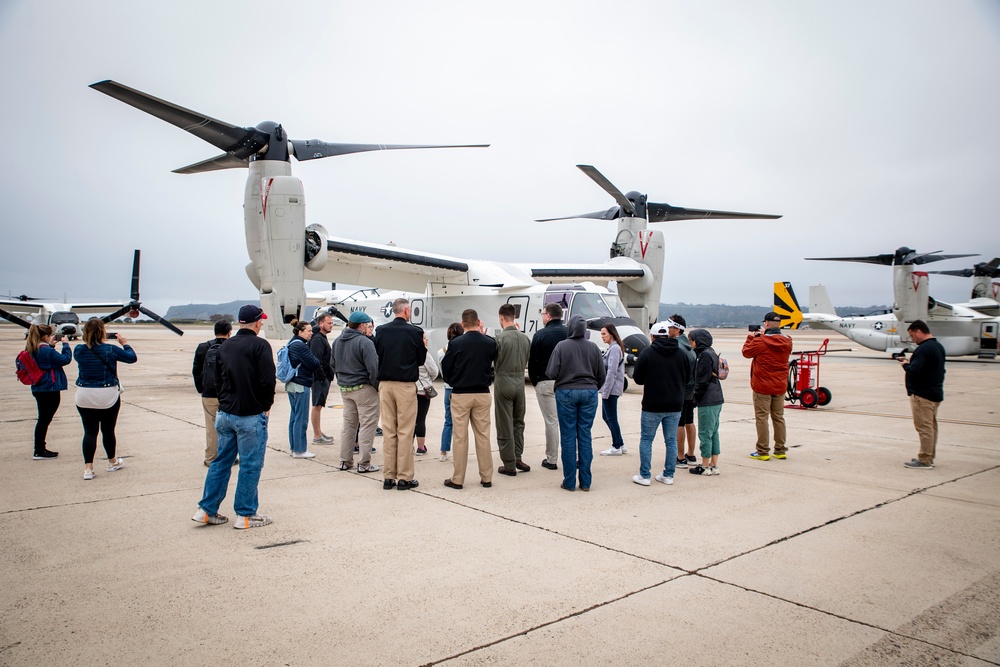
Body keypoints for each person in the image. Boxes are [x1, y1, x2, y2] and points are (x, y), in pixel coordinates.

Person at [193, 304, 276, 528]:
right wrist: (266, 405)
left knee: (220, 462)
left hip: (226, 412)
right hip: (250, 413)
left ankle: (206, 509)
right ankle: (246, 513)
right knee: (250, 464)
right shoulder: (260, 345)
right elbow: (268, 380)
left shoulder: (225, 346)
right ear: (258, 322)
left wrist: (225, 400)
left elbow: (216, 379)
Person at [546, 314, 606, 492]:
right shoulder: (593, 347)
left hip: (566, 392)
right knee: (585, 435)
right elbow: (601, 375)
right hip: (589, 392)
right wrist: (592, 387)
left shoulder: (562, 346)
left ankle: (570, 481)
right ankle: (586, 482)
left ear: (570, 328)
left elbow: (551, 372)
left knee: (568, 436)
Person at [73, 318, 137, 480]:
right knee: (108, 430)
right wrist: (125, 343)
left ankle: (88, 468)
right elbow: (131, 358)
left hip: (84, 393)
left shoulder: (79, 350)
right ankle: (112, 462)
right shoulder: (110, 349)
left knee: (89, 431)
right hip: (106, 393)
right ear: (102, 332)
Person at [441, 309, 497, 490]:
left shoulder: (456, 343)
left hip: (461, 394)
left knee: (460, 437)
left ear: (463, 324)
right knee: (483, 436)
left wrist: (454, 380)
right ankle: (487, 476)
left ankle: (458, 479)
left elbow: (446, 367)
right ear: (479, 322)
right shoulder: (490, 343)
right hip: (482, 392)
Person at [373, 298, 426, 491]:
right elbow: (420, 360)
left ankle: (388, 476)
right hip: (405, 385)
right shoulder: (415, 332)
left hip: (385, 385)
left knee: (389, 431)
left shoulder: (381, 331)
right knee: (405, 431)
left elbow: (378, 352)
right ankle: (404, 477)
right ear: (406, 311)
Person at [631, 319, 690, 487]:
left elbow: (639, 379)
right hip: (675, 403)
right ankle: (669, 475)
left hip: (652, 403)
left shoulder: (647, 353)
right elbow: (687, 377)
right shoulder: (681, 353)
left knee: (647, 440)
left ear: (653, 336)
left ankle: (645, 475)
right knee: (671, 441)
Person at [332, 311, 380, 473]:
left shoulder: (338, 341)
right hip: (363, 388)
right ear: (361, 325)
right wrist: (376, 386)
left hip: (345, 389)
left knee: (349, 425)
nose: (369, 328)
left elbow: (332, 364)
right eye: (367, 325)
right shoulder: (364, 342)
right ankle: (364, 463)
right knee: (367, 425)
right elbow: (373, 368)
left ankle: (345, 460)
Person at [742, 311, 793, 461]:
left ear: (766, 323)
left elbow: (746, 352)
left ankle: (763, 450)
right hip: (780, 384)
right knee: (778, 417)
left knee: (762, 418)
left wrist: (752, 336)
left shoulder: (761, 341)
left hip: (762, 385)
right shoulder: (788, 341)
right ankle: (780, 449)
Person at [898, 320, 946, 469]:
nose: (913, 339)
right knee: (931, 427)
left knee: (924, 427)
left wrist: (905, 364)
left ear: (918, 331)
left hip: (922, 394)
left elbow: (915, 370)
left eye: (912, 335)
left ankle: (924, 459)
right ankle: (929, 455)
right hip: (935, 392)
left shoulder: (923, 349)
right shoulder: (938, 347)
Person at [528, 302, 568, 470]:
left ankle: (552, 459)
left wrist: (535, 381)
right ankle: (571, 457)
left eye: (543, 313)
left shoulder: (540, 334)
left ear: (548, 316)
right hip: (567, 382)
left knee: (551, 421)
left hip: (545, 381)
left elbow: (533, 362)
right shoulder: (569, 333)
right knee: (568, 421)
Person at [494, 304, 531, 476]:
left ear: (501, 317)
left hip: (503, 381)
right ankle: (518, 456)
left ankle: (509, 463)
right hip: (520, 382)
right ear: (514, 317)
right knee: (518, 421)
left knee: (504, 423)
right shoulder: (525, 339)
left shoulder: (499, 339)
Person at [25, 324, 71, 460]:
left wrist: (51, 346)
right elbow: (65, 359)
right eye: (50, 335)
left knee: (43, 419)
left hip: (39, 387)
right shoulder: (45, 350)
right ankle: (39, 450)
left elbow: (46, 361)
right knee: (44, 420)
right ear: (45, 336)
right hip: (49, 388)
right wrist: (66, 345)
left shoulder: (34, 348)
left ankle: (40, 448)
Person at [192, 319, 232, 466]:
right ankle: (229, 456)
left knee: (211, 428)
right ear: (229, 332)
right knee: (229, 428)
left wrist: (201, 389)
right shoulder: (232, 347)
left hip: (209, 393)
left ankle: (211, 458)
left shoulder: (203, 347)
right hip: (228, 394)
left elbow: (196, 370)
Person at [688, 329, 724, 476]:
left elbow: (702, 381)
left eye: (692, 340)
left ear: (698, 341)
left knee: (704, 433)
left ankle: (704, 465)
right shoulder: (712, 352)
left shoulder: (704, 356)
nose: (690, 343)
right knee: (714, 432)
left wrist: (695, 399)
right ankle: (714, 464)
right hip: (717, 398)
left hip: (707, 400)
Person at [285, 321, 322, 459]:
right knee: (301, 418)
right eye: (308, 331)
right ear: (300, 332)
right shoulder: (301, 346)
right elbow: (314, 363)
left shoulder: (292, 343)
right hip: (301, 384)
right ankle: (300, 450)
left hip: (292, 384)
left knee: (294, 417)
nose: (311, 333)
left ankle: (294, 447)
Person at [670, 314, 698, 468]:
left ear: (676, 329)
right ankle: (691, 455)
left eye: (669, 327)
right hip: (690, 390)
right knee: (689, 420)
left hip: (681, 391)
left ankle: (680, 457)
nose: (667, 330)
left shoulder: (677, 347)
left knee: (679, 423)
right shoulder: (689, 347)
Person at [598, 323, 627, 456]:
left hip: (611, 389)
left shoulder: (615, 349)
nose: (602, 336)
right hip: (611, 389)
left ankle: (616, 446)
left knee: (611, 417)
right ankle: (620, 442)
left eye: (604, 333)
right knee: (607, 416)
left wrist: (606, 391)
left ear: (611, 333)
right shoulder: (614, 348)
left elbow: (612, 372)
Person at [309, 312, 336, 446]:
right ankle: (316, 435)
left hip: (323, 377)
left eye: (332, 323)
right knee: (316, 405)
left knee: (319, 405)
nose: (331, 325)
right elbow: (316, 360)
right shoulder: (317, 339)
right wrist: (321, 377)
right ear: (321, 323)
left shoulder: (322, 338)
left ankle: (319, 432)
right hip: (319, 379)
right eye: (329, 323)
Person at [437, 322, 463, 462]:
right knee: (461, 422)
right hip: (460, 389)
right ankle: (460, 451)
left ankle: (443, 451)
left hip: (447, 388)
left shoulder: (441, 352)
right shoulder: (462, 350)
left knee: (448, 421)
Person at [414, 333, 439, 456]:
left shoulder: (409, 353)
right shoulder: (425, 355)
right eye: (424, 338)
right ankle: (420, 447)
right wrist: (429, 379)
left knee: (409, 420)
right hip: (423, 391)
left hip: (411, 391)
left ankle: (407, 445)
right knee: (421, 419)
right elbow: (434, 371)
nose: (427, 340)